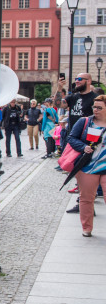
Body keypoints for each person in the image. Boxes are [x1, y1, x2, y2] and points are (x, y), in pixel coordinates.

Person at [68, 95, 106, 237]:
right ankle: (87, 228)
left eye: (99, 107)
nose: (95, 110)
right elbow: (71, 138)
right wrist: (83, 147)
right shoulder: (85, 121)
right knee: (86, 198)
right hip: (88, 167)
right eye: (94, 107)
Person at [65, 73, 99, 145]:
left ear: (88, 81)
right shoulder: (72, 97)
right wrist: (59, 88)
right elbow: (57, 104)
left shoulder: (96, 98)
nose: (77, 81)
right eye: (76, 79)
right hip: (73, 136)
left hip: (88, 136)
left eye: (80, 79)